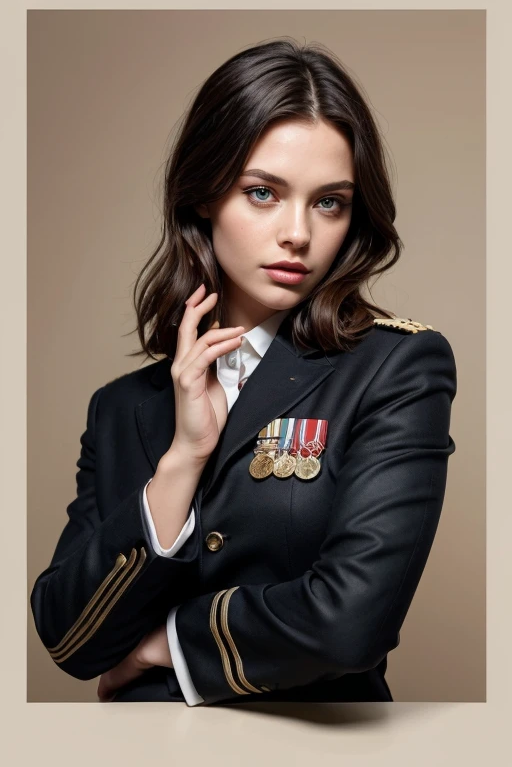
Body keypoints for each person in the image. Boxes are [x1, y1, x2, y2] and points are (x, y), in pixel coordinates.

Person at [30, 38, 457, 705]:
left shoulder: (396, 368)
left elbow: (349, 624)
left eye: (329, 202)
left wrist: (159, 645)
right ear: (204, 195)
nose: (298, 233)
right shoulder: (122, 408)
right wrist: (182, 461)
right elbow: (66, 638)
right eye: (263, 192)